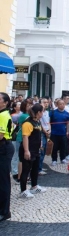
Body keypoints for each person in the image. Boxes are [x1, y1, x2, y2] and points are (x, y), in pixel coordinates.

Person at [19, 103, 47, 198]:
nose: (43, 113)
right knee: (26, 170)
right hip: (28, 149)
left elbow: (38, 136)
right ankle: (23, 190)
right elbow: (25, 137)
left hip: (36, 149)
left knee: (35, 169)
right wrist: (26, 151)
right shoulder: (28, 123)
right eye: (42, 111)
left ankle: (34, 186)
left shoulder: (37, 121)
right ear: (38, 112)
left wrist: (40, 145)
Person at [0, 93, 15, 221]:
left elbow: (0, 135)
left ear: (5, 103)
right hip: (4, 146)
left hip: (3, 147)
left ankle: (4, 211)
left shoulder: (3, 115)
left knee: (3, 180)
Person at [11, 100, 32, 182]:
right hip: (21, 138)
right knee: (18, 156)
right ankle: (16, 173)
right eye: (28, 106)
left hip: (26, 137)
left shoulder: (29, 115)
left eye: (30, 105)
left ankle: (22, 174)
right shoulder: (24, 116)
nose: (30, 107)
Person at [49, 100, 69, 166]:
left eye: (63, 104)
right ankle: (54, 160)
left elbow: (68, 123)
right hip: (54, 133)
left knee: (63, 147)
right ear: (57, 105)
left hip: (63, 133)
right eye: (60, 104)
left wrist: (67, 131)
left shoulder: (67, 114)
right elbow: (49, 122)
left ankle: (63, 158)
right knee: (54, 147)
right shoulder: (52, 113)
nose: (62, 105)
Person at [38, 98, 51, 175]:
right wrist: (45, 131)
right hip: (42, 133)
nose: (46, 104)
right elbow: (40, 122)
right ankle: (38, 169)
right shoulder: (40, 113)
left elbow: (48, 122)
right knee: (41, 151)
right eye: (44, 102)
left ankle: (40, 166)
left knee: (44, 150)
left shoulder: (47, 112)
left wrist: (49, 130)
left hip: (47, 131)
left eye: (47, 102)